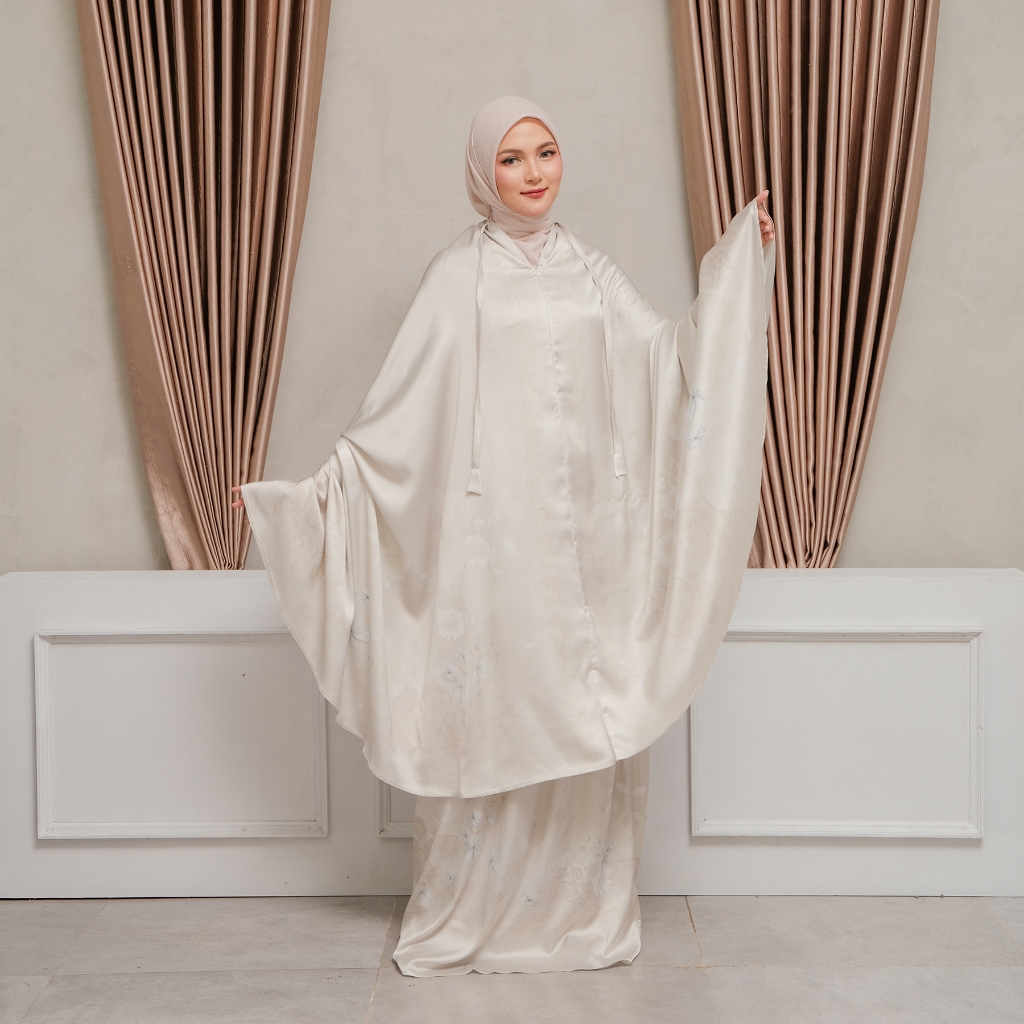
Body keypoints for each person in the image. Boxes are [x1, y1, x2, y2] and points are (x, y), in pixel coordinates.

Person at [232, 96, 775, 976]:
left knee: (582, 710)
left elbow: (670, 365)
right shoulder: (457, 277)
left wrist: (736, 272)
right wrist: (308, 498)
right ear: (484, 173)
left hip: (589, 550)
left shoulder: (591, 270)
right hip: (493, 554)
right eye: (512, 159)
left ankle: (582, 911)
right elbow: (394, 420)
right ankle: (477, 911)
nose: (533, 173)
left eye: (546, 152)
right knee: (494, 717)